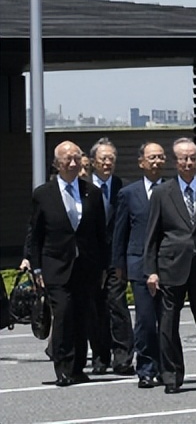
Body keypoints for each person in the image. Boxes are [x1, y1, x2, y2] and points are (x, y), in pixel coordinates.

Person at [144, 137, 196, 394]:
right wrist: (151, 271)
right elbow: (152, 235)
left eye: (193, 158)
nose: (189, 163)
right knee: (168, 326)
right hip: (171, 266)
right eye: (183, 158)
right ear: (175, 161)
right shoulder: (162, 192)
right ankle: (171, 376)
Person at [29, 140, 108, 386]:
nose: (72, 163)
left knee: (82, 316)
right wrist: (36, 266)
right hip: (55, 264)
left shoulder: (92, 193)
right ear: (56, 164)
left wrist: (105, 266)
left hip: (86, 265)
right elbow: (35, 233)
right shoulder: (43, 194)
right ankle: (62, 367)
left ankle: (77, 367)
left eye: (76, 158)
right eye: (67, 159)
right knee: (63, 314)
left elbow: (100, 233)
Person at [112, 141, 167, 388]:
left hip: (167, 265)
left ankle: (168, 368)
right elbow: (120, 233)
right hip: (138, 264)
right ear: (141, 162)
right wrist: (118, 265)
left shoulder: (172, 189)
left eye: (160, 157)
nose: (156, 161)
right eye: (151, 157)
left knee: (167, 321)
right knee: (145, 321)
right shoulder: (128, 193)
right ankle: (146, 368)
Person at [87, 137, 135, 375]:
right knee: (95, 308)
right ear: (93, 161)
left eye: (111, 159)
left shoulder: (123, 188)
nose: (108, 163)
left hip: (116, 258)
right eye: (103, 159)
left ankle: (123, 357)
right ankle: (100, 356)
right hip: (90, 260)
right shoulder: (83, 187)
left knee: (117, 305)